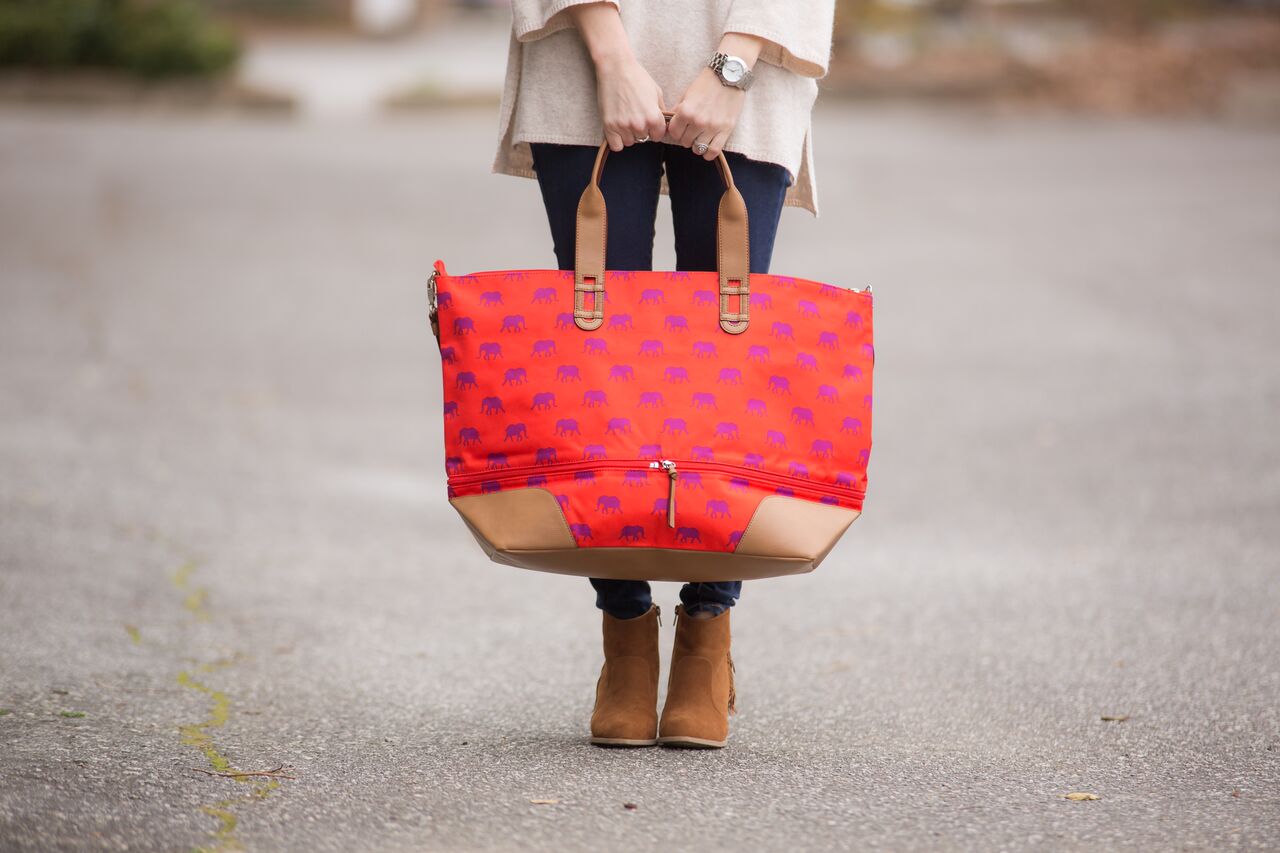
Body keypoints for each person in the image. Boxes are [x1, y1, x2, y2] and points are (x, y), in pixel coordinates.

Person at [493, 0, 836, 749]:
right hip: (586, 50)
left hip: (749, 45)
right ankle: (625, 633)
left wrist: (734, 62)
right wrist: (610, 55)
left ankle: (709, 630)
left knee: (725, 361)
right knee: (598, 370)